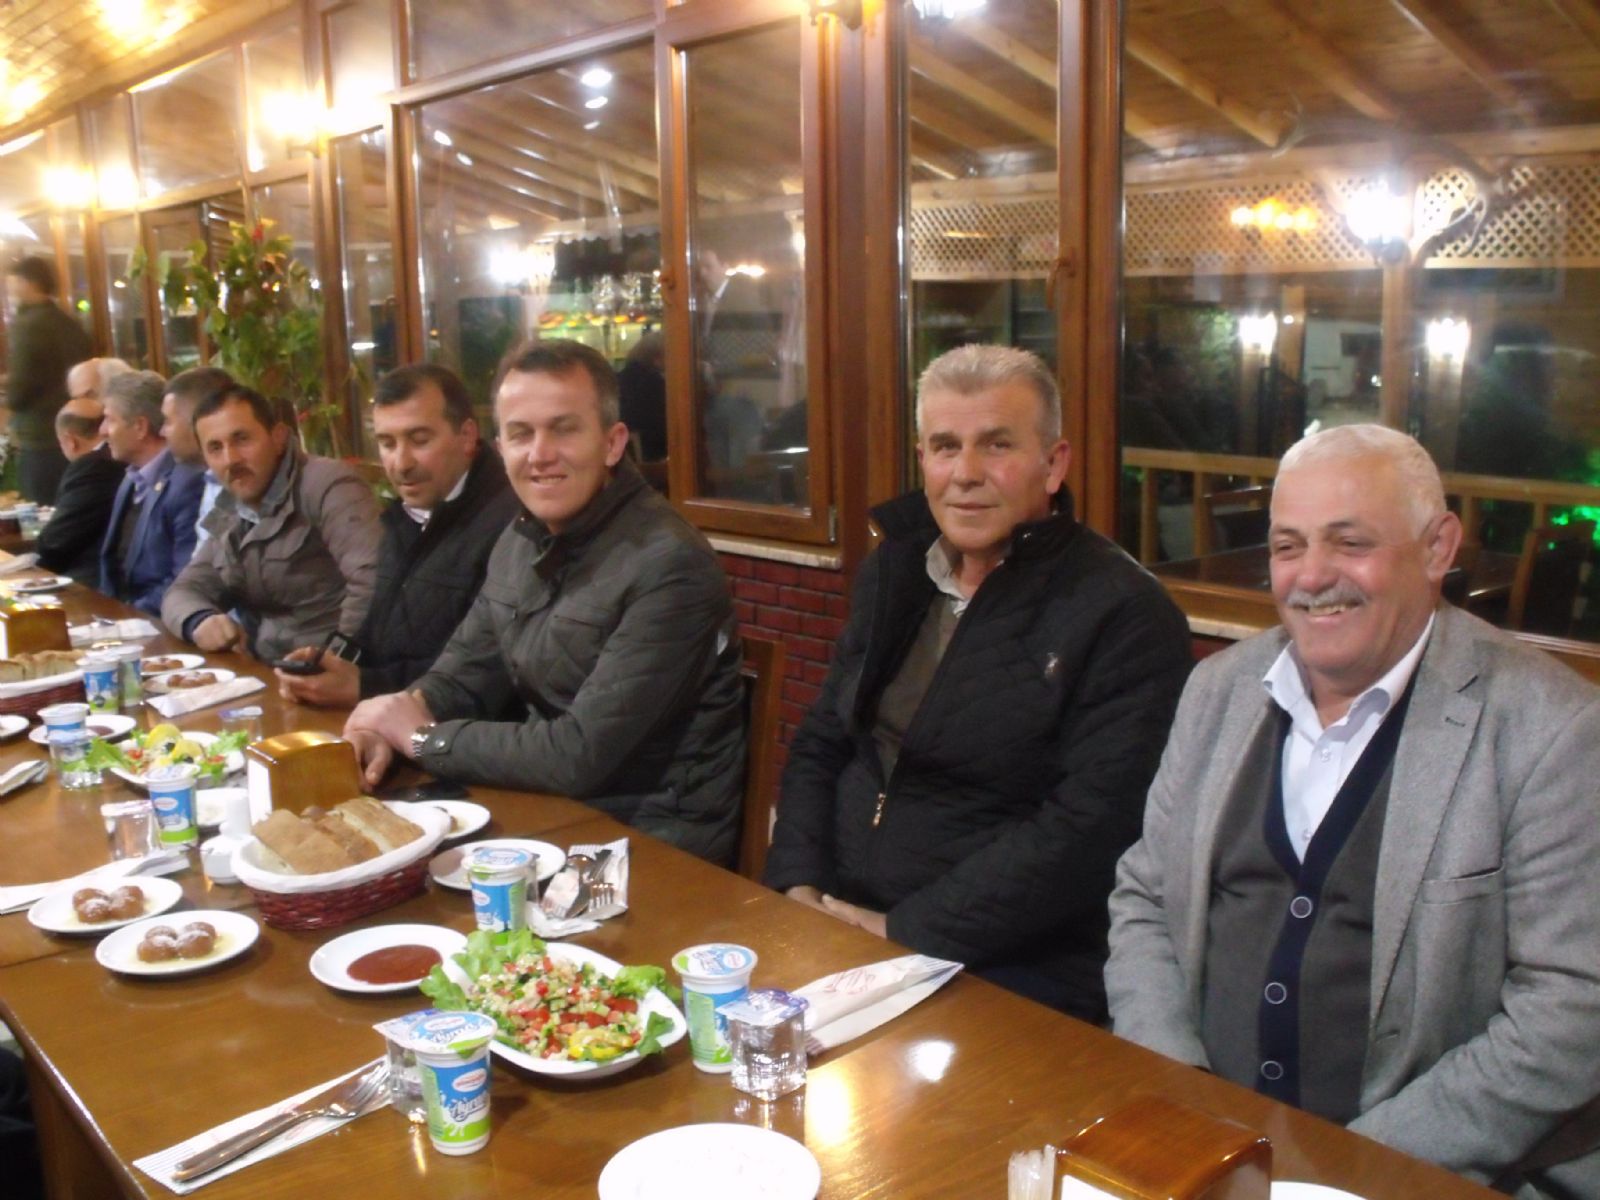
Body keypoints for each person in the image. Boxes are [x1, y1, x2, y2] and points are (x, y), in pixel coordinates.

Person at [1105, 424, 1600, 1196]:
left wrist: (1351, 1168)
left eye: (1350, 542)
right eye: (1288, 546)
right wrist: (1179, 1096)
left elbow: (1573, 1007)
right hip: (1201, 1146)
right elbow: (1143, 896)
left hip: (1417, 1170)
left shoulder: (1550, 728)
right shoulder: (1217, 690)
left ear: (1437, 548)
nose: (1312, 576)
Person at [762, 344, 1192, 1020]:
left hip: (1006, 965)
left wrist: (903, 932)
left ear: (1054, 464)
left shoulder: (1124, 612)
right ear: (923, 459)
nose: (965, 474)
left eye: (997, 445)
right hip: (840, 921)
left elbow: (1090, 827)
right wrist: (797, 883)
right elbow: (824, 739)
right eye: (945, 447)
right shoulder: (895, 571)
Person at [343, 340, 746, 864]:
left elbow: (578, 755)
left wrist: (421, 738)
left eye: (564, 428)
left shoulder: (669, 563)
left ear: (612, 443)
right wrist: (388, 723)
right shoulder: (519, 538)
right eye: (521, 434)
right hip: (551, 812)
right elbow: (463, 675)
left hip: (652, 844)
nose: (539, 454)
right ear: (500, 447)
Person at [275, 363, 517, 707]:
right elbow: (380, 633)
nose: (401, 463)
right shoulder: (404, 516)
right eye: (387, 443)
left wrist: (365, 685)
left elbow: (489, 673)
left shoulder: (512, 525)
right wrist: (334, 662)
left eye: (420, 440)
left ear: (466, 436)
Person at [161, 384, 380, 661]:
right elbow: (184, 589)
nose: (231, 459)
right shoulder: (229, 507)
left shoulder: (329, 485)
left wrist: (335, 662)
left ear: (278, 438)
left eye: (242, 439)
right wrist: (199, 620)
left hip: (326, 669)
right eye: (215, 448)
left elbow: (372, 583)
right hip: (263, 669)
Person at [96, 370, 205, 616]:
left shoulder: (187, 482)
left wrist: (127, 617)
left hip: (158, 622)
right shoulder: (131, 478)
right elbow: (112, 566)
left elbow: (184, 579)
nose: (102, 430)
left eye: (109, 420)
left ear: (140, 427)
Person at [3, 257, 92, 503]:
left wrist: (8, 396)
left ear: (28, 283)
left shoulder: (28, 326)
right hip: (77, 430)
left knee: (41, 510)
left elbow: (21, 389)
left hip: (40, 435)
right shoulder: (69, 323)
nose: (10, 290)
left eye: (12, 282)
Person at [34, 398, 123, 586]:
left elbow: (58, 541)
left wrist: (31, 571)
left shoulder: (92, 466)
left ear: (70, 440)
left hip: (95, 579)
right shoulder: (116, 456)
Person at [159, 366, 234, 547]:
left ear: (196, 422)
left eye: (168, 421)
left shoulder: (240, 481)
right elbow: (205, 556)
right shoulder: (212, 480)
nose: (162, 432)